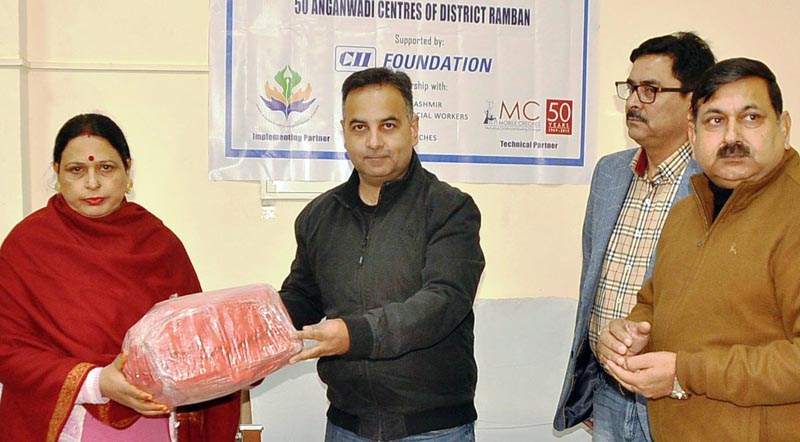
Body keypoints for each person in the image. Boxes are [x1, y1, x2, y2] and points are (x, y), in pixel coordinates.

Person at [0, 114, 240, 441]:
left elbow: (192, 337)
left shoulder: (157, 241)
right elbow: (8, 348)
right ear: (57, 173)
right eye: (76, 170)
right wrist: (96, 381)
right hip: (64, 420)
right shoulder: (27, 245)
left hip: (153, 418)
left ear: (127, 170)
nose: (93, 183)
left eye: (106, 168)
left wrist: (237, 356)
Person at [278, 67, 485, 441]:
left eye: (388, 126)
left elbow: (442, 302)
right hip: (346, 426)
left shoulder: (450, 209)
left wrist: (353, 334)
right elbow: (304, 298)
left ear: (414, 128)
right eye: (359, 127)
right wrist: (251, 323)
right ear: (343, 131)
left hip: (433, 429)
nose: (373, 141)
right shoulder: (318, 217)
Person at [598, 57, 799, 441]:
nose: (732, 136)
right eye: (715, 120)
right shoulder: (686, 211)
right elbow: (654, 302)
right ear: (693, 134)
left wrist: (684, 373)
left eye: (751, 118)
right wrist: (631, 334)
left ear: (784, 127)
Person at [554, 32, 715, 441]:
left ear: (693, 101)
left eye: (650, 89)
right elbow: (594, 279)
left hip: (679, 400)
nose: (633, 102)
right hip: (608, 392)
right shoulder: (610, 173)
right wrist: (590, 384)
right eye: (630, 88)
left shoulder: (716, 186)